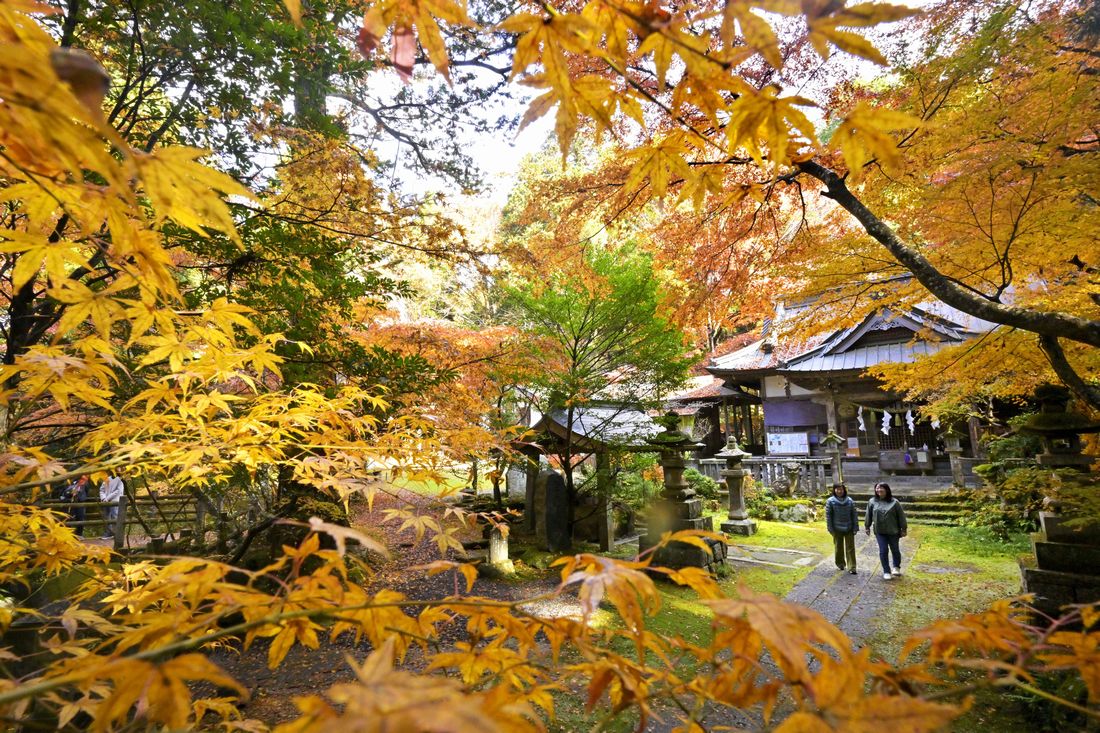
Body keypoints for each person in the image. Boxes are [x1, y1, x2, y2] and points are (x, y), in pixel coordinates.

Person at [865, 481, 907, 580]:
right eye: (877, 488)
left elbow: (901, 516)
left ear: (886, 490)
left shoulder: (894, 502)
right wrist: (867, 526)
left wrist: (903, 528)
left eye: (881, 488)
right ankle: (886, 571)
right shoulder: (872, 501)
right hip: (880, 531)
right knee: (883, 550)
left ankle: (896, 567)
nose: (879, 490)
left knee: (895, 549)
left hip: (893, 531)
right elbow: (868, 515)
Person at [825, 483, 859, 575]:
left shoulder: (850, 501)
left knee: (850, 548)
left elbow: (854, 514)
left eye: (841, 489)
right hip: (836, 528)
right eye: (837, 489)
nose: (839, 491)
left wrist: (855, 527)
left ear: (844, 490)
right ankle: (840, 563)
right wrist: (830, 528)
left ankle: (852, 567)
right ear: (834, 490)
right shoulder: (830, 501)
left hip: (849, 527)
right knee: (838, 547)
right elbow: (828, 516)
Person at [99, 472, 125, 539]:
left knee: (115, 516)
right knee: (106, 517)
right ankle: (108, 533)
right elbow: (102, 490)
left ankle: (117, 534)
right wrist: (103, 498)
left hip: (115, 501)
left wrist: (107, 498)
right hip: (106, 501)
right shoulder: (106, 479)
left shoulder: (120, 480)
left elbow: (118, 491)